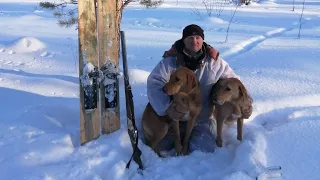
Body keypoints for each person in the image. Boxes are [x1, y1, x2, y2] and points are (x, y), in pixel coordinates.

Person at [146, 24, 252, 154]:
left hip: (201, 120)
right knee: (165, 145)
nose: (194, 41)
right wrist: (167, 107)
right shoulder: (170, 61)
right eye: (190, 37)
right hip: (174, 118)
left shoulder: (215, 62)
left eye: (197, 37)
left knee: (203, 150)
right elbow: (154, 83)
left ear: (202, 40)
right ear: (183, 40)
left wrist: (246, 103)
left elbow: (233, 81)